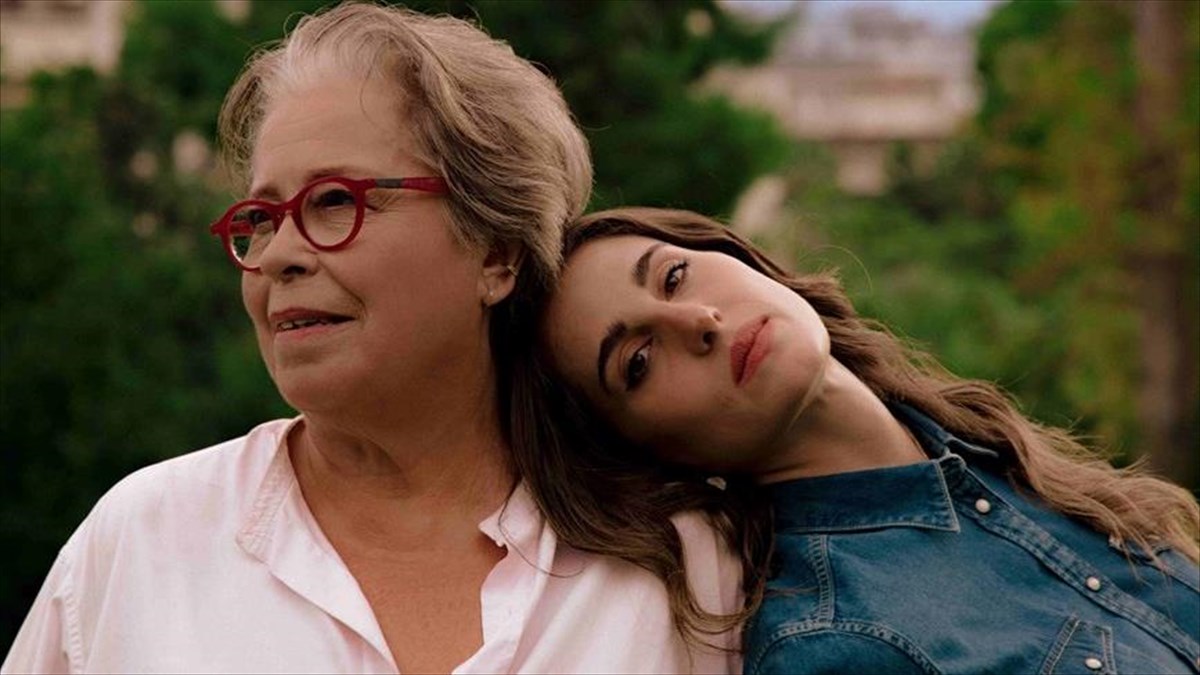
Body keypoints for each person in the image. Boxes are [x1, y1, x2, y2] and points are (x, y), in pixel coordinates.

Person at [1, 7, 742, 674]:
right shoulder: (141, 544)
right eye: (261, 219)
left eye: (334, 201)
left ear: (496, 252)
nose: (280, 255)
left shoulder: (680, 563)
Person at [532, 206, 1200, 675]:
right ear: (647, 453)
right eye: (639, 362)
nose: (698, 320)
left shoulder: (996, 455)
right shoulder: (831, 649)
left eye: (673, 276)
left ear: (733, 252)